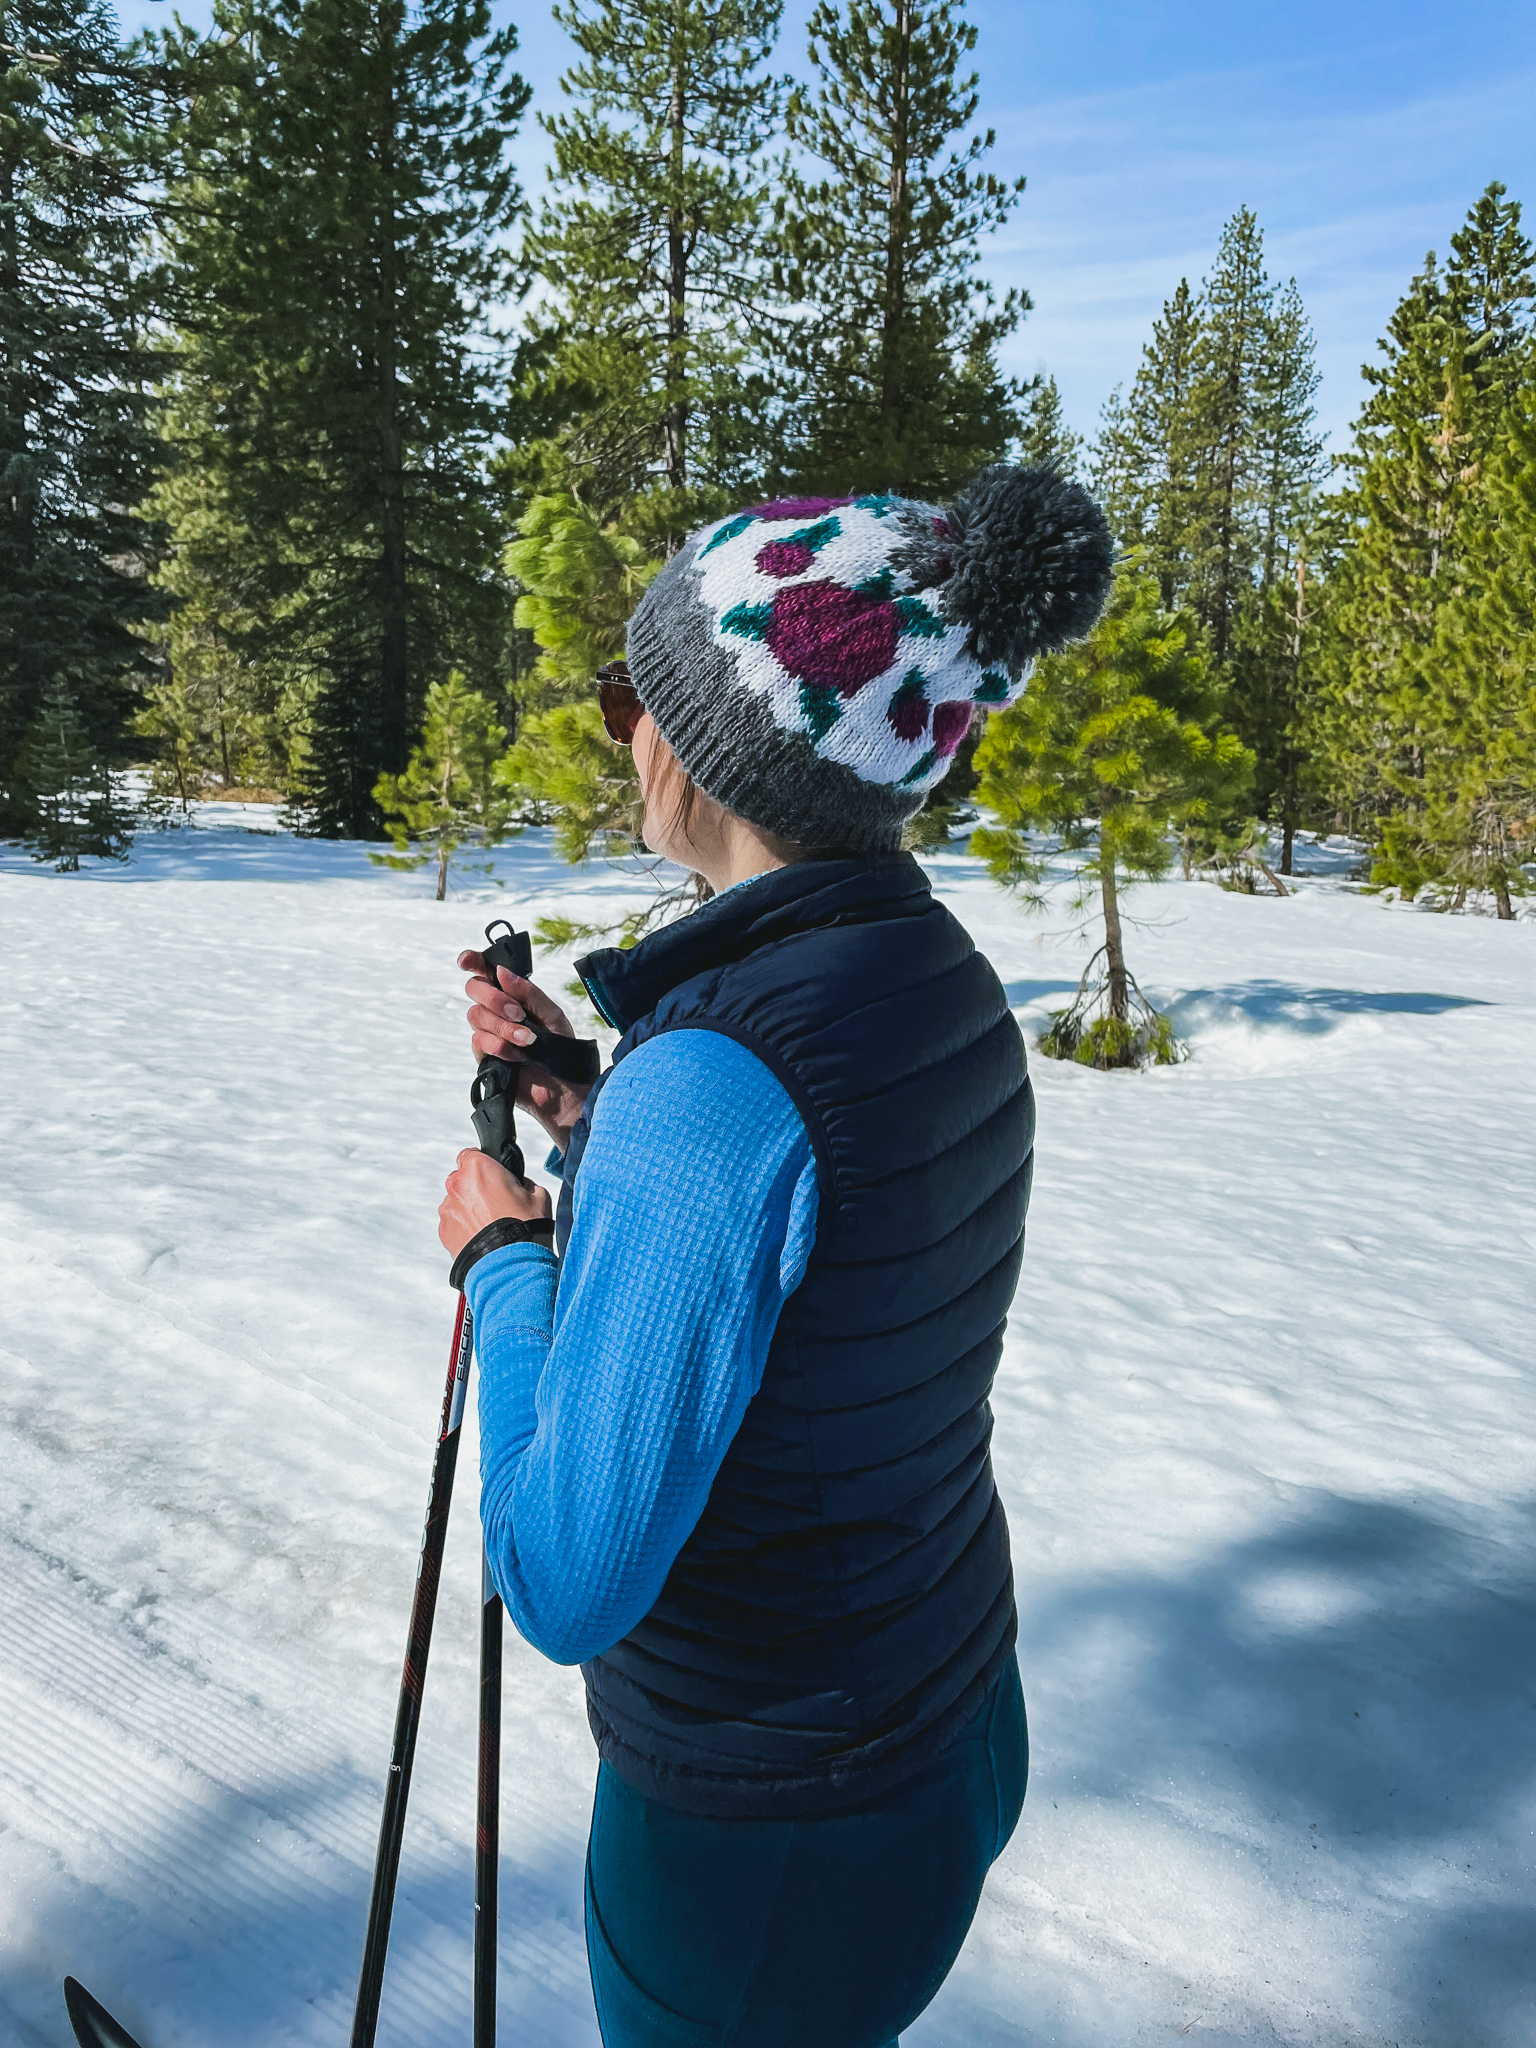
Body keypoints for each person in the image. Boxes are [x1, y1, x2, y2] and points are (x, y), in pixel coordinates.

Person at [437, 468, 1112, 2048]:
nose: (627, 735)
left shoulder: (723, 1082)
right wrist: (598, 1107)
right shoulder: (931, 975)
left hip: (763, 1826)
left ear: (708, 745)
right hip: (947, 1722)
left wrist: (506, 1262)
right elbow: (833, 1255)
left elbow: (567, 1578)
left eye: (633, 698)